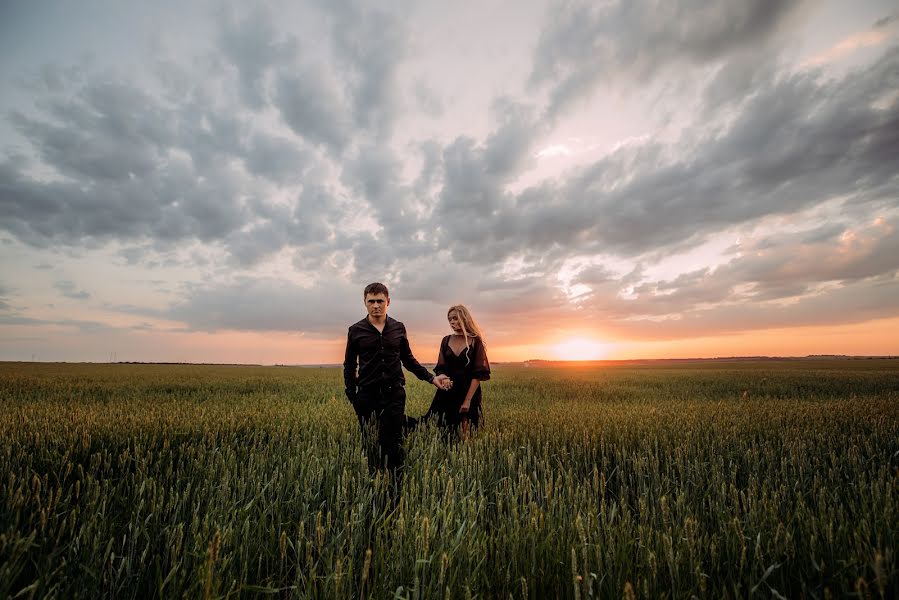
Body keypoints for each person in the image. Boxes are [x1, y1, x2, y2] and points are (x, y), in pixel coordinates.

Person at [343, 282, 451, 474]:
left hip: (394, 393)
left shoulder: (398, 328)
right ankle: (373, 480)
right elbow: (350, 364)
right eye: (371, 301)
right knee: (370, 440)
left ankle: (394, 484)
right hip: (367, 395)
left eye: (380, 301)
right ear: (365, 302)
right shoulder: (355, 330)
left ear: (388, 301)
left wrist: (431, 378)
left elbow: (408, 360)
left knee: (392, 442)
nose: (376, 305)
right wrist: (352, 395)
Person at [422, 304, 490, 437]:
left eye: (455, 318)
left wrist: (468, 400)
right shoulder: (446, 340)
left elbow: (478, 374)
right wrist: (444, 377)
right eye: (450, 319)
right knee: (445, 430)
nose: (452, 322)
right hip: (448, 390)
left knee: (466, 432)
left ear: (464, 318)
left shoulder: (476, 341)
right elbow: (441, 366)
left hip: (468, 390)